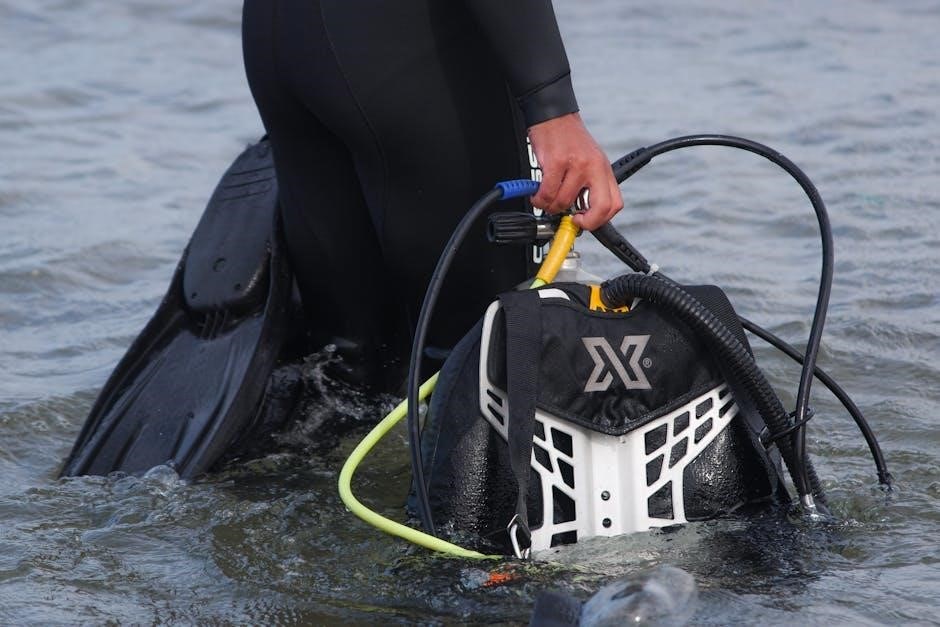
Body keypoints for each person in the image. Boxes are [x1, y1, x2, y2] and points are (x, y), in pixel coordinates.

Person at [241, 0, 623, 389]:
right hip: (405, 43)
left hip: (277, 35)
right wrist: (552, 106)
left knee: (345, 366)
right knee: (472, 360)